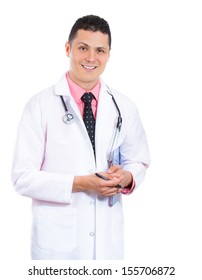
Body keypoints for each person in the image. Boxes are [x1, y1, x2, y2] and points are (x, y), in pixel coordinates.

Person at [11, 15, 150, 260]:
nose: (91, 58)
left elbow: (138, 161)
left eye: (100, 50)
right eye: (83, 48)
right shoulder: (40, 106)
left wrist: (126, 177)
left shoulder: (124, 106)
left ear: (108, 54)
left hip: (107, 245)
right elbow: (23, 177)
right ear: (68, 48)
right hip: (56, 247)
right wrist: (81, 183)